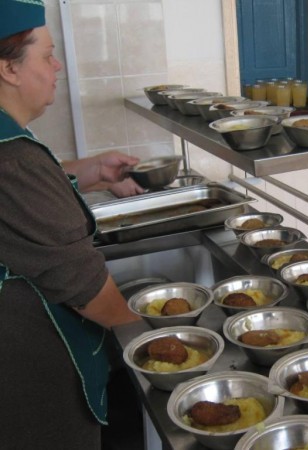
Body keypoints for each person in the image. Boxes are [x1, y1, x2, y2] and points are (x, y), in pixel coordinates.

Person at [0, 2, 142, 449]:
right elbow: (85, 288)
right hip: (33, 387)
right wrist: (147, 332)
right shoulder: (12, 159)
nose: (57, 66)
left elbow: (22, 204)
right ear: (8, 69)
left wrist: (91, 171)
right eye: (47, 55)